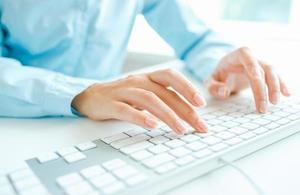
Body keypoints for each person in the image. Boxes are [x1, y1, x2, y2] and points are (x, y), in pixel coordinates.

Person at [0, 1, 290, 134]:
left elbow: (195, 37)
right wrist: (81, 93)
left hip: (111, 124)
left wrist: (220, 65)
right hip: (20, 123)